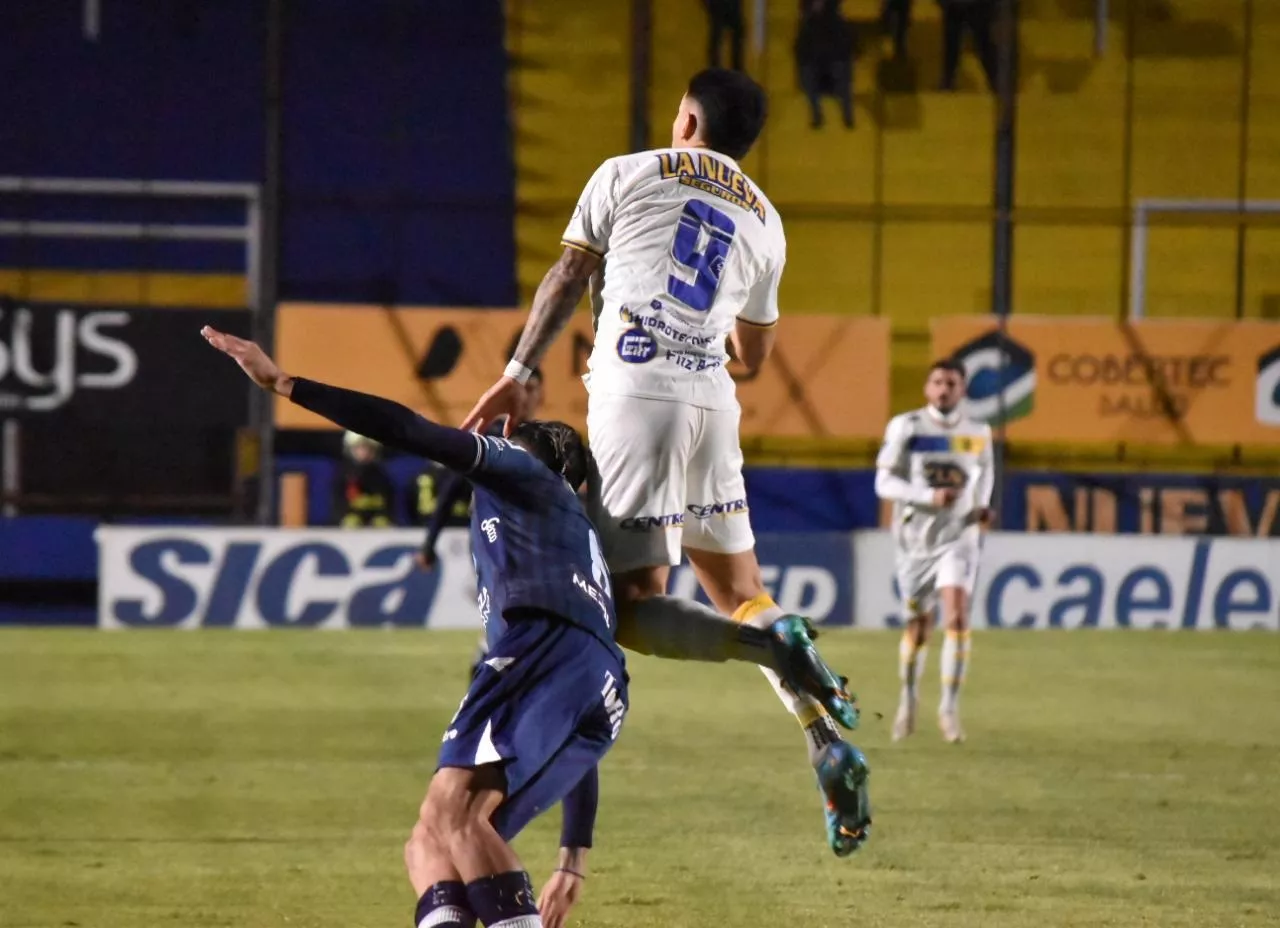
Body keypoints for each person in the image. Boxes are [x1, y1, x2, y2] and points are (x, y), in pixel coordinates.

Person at [202, 325, 866, 926]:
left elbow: (406, 428)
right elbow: (576, 723)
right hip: (595, 684)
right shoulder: (565, 533)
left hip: (542, 650)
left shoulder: (526, 476)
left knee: (453, 819)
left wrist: (285, 383)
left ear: (536, 457)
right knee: (433, 839)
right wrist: (573, 857)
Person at [462, 68, 871, 856]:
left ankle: (767, 646)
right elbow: (752, 351)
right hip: (712, 404)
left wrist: (517, 372)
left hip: (635, 391)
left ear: (687, 118)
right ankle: (824, 737)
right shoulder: (766, 220)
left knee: (626, 606)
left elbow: (569, 273)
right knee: (744, 590)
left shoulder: (628, 171)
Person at [874, 359, 994, 743]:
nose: (944, 389)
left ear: (962, 390)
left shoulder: (979, 432)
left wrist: (980, 507)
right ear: (928, 388)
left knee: (957, 616)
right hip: (915, 542)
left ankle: (948, 709)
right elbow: (883, 482)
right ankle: (908, 701)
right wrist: (928, 495)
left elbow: (984, 476)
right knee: (919, 626)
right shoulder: (906, 427)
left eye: (952, 383)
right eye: (938, 382)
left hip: (959, 536)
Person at [416, 368, 546, 677]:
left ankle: (489, 666)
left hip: (535, 540)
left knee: (518, 617)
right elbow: (451, 491)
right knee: (509, 612)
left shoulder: (545, 439)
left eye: (535, 389)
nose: (528, 396)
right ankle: (487, 669)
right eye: (524, 388)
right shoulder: (490, 436)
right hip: (494, 538)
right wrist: (429, 544)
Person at [795, 0, 856, 129]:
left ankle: (848, 114)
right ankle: (817, 114)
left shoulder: (836, 20)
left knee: (841, 73)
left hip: (834, 54)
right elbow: (801, 48)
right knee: (807, 74)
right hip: (814, 57)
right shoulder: (807, 23)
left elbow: (846, 44)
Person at [335, 430, 395, 527]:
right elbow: (336, 504)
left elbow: (390, 504)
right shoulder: (342, 475)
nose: (364, 453)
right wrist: (342, 518)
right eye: (359, 448)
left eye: (368, 448)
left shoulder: (382, 476)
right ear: (350, 449)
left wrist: (386, 517)